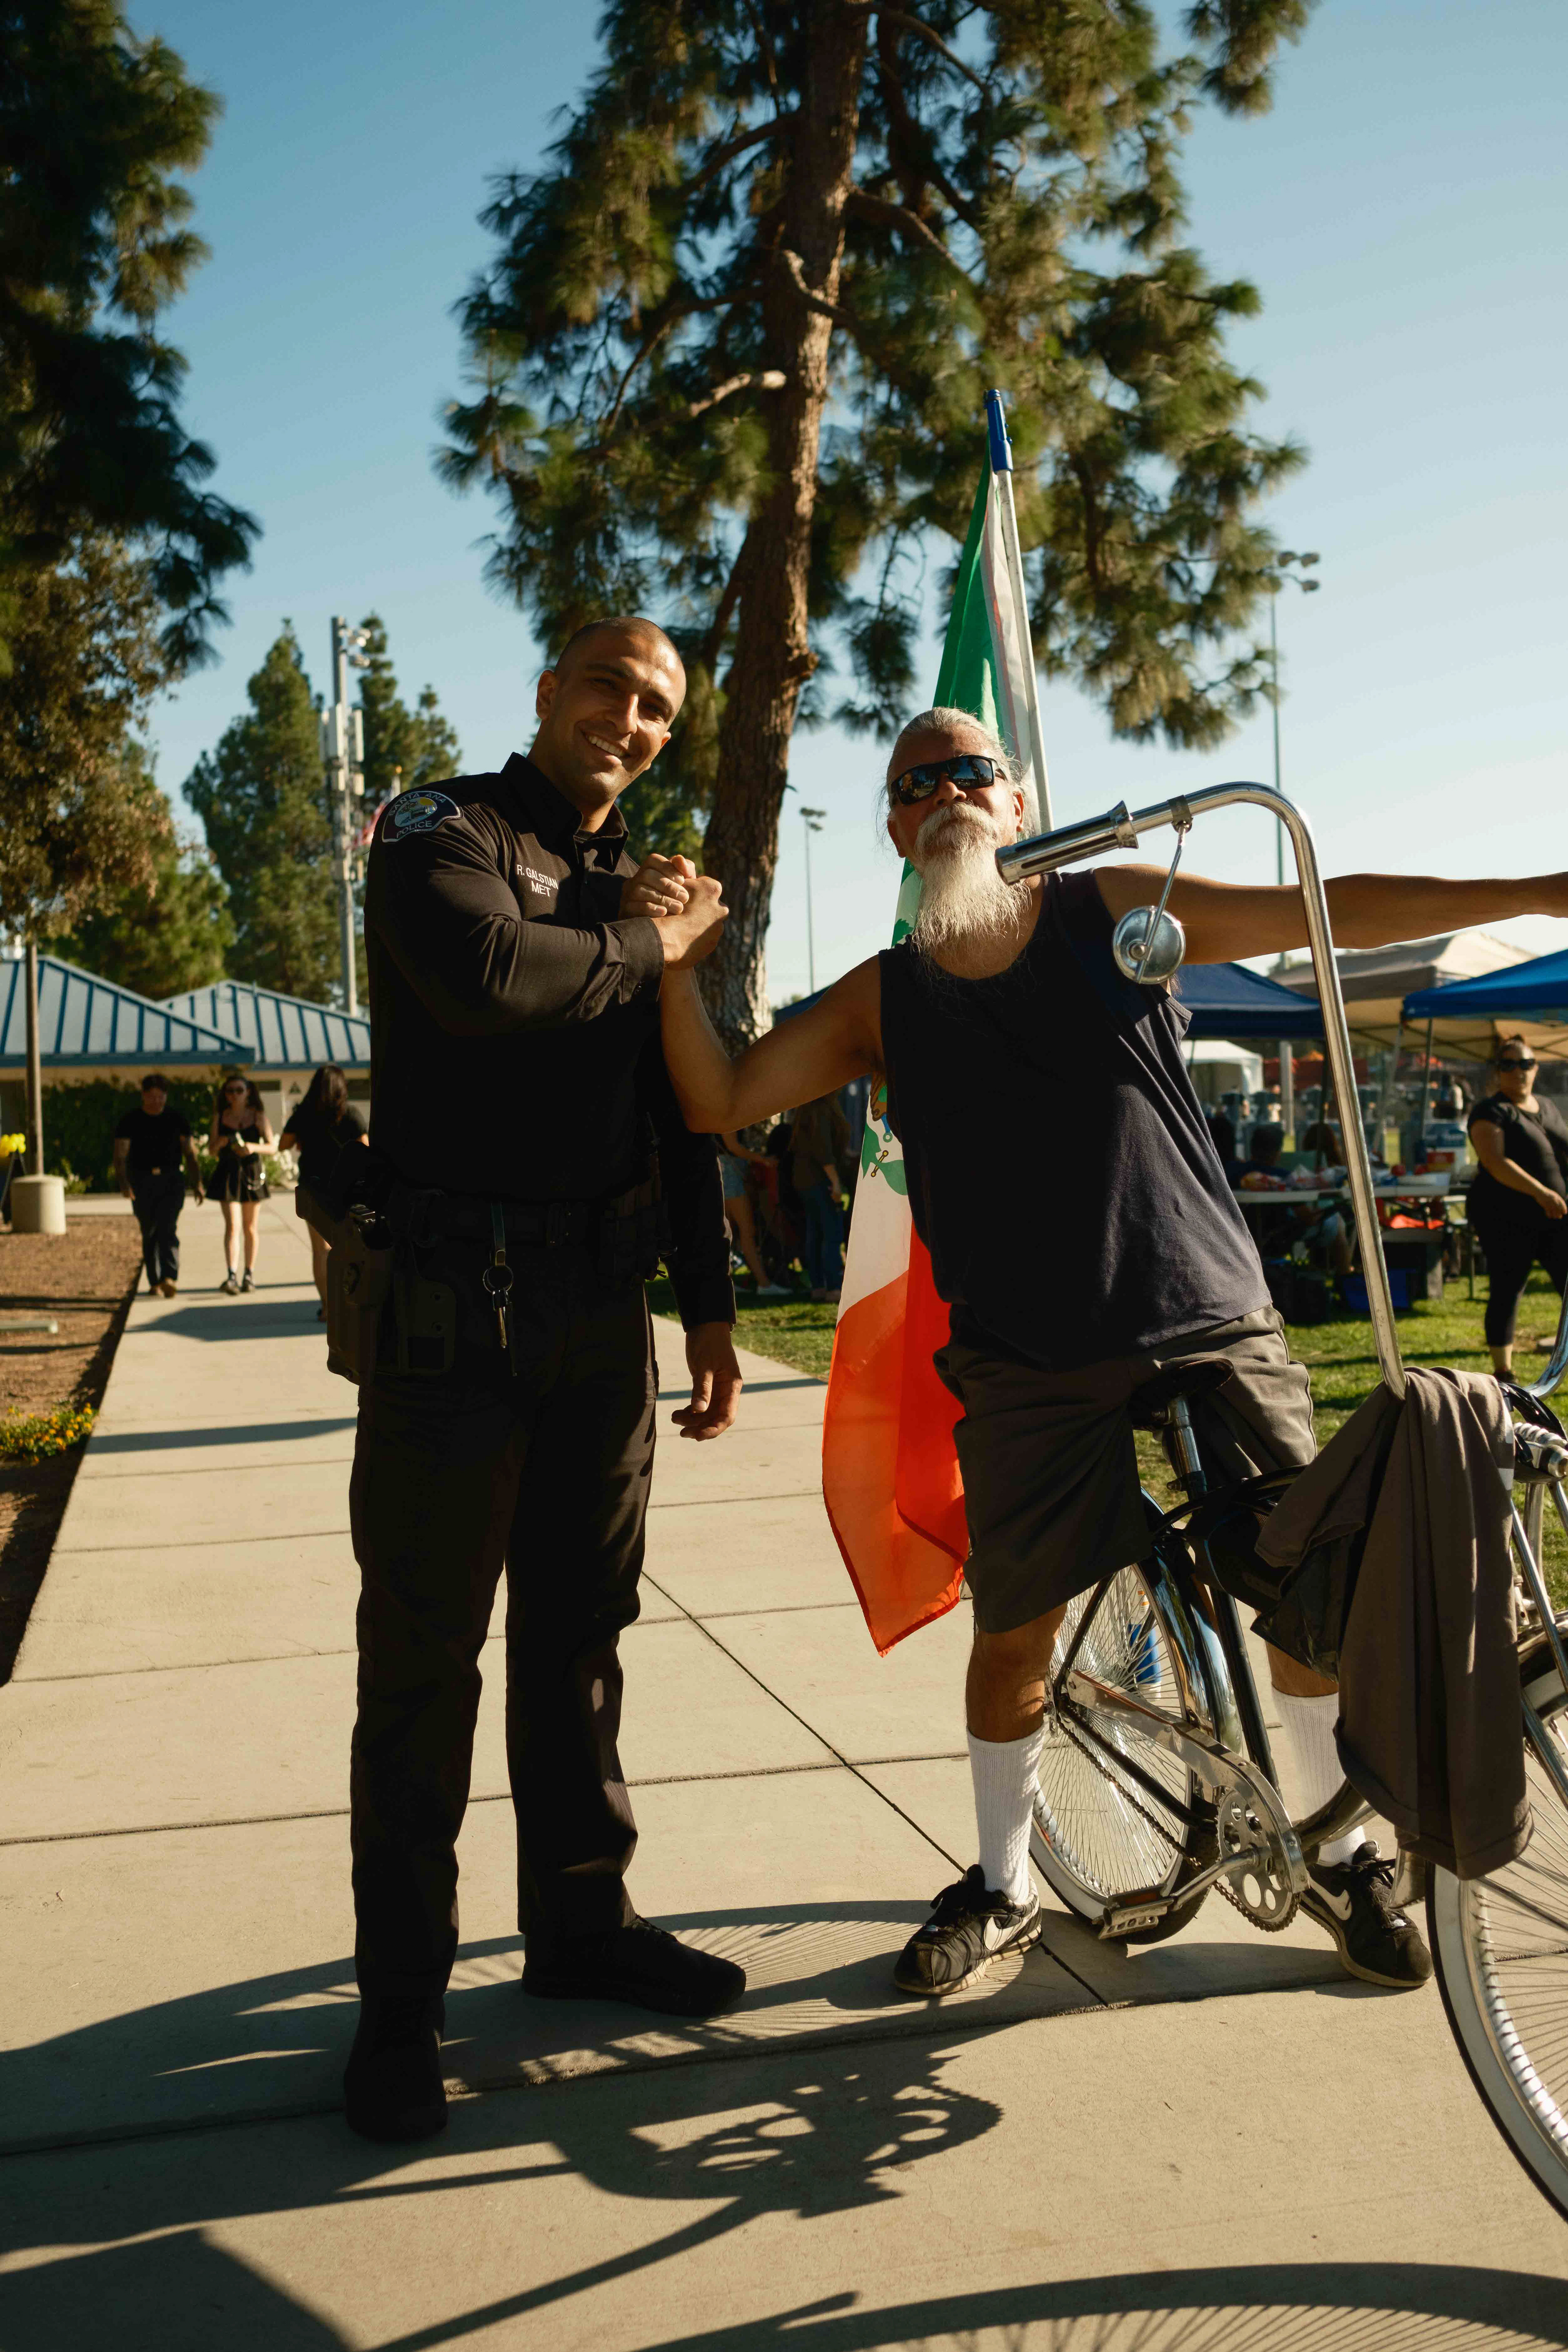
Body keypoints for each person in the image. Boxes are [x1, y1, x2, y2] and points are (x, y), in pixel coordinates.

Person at [651, 704, 1568, 2001]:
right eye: (915, 784)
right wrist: (675, 966)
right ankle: (1003, 1883)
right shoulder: (881, 997)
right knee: (1014, 1635)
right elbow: (720, 1099)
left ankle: (1341, 1853)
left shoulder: (1111, 907)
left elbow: (1325, 906)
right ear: (897, 832)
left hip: (1206, 1317)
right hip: (1025, 1359)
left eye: (971, 771)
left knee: (1305, 1594)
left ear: (1017, 803)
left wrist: (1539, 891)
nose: (945, 793)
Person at [343, 614, 746, 2147]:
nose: (629, 721)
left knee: (581, 1643)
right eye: (609, 688)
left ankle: (581, 1928)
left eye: (656, 710)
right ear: (548, 691)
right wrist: (658, 941)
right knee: (422, 1663)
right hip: (450, 1314)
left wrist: (708, 1305)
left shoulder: (646, 888)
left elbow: (676, 1106)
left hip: (599, 1314)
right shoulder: (442, 832)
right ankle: (401, 2006)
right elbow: (489, 979)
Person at [1466, 1038, 1568, 1376]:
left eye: (1525, 1064)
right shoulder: (1490, 1111)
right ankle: (1504, 1372)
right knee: (1508, 1289)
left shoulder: (1547, 1106)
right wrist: (1541, 1193)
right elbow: (1495, 1162)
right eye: (1509, 1064)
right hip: (1506, 1217)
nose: (1518, 1071)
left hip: (1556, 1216)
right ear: (1498, 1071)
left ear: (1536, 1068)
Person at [279, 1065, 368, 1318]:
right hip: (347, 1189)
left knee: (321, 1250)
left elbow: (283, 1145)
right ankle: (346, 1304)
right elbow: (366, 1150)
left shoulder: (304, 1114)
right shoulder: (350, 1114)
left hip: (313, 1187)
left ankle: (328, 1308)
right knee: (348, 1247)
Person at [113, 1074, 204, 1297]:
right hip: (142, 1181)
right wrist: (124, 1184)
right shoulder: (130, 1121)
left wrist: (198, 1183)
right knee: (149, 1231)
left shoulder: (177, 1120)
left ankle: (169, 1277)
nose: (156, 1101)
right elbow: (120, 1156)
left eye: (161, 1097)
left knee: (168, 1227)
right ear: (143, 1096)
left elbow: (190, 1154)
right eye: (152, 1096)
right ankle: (154, 1281)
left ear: (166, 1096)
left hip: (171, 1180)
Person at [208, 1074, 273, 1294]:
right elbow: (211, 1150)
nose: (235, 1095)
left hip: (252, 1173)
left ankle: (249, 1275)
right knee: (233, 1226)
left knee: (250, 1227)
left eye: (239, 1090)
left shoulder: (258, 1116)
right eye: (230, 1091)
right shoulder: (220, 1117)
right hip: (228, 1174)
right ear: (225, 1095)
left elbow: (272, 1147)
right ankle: (231, 1276)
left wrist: (253, 1147)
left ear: (248, 1093)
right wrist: (221, 1143)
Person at [790, 1091, 852, 1301]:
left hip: (804, 1180)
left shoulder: (805, 1109)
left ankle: (818, 1287)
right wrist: (836, 1182)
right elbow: (823, 1150)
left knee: (815, 1235)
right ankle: (833, 1288)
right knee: (832, 1234)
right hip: (820, 1180)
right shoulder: (820, 1110)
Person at [718, 1129, 791, 1298]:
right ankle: (764, 1284)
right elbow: (733, 1146)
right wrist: (763, 1160)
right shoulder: (726, 1115)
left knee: (730, 1231)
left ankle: (726, 1283)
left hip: (725, 1169)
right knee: (747, 1230)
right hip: (730, 1171)